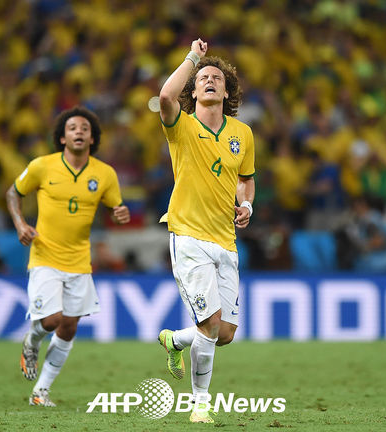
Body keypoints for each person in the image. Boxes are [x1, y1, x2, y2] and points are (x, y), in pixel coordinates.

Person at [156, 39, 255, 423]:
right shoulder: (181, 127)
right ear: (194, 91)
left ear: (226, 92)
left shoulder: (242, 134)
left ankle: (174, 340)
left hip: (225, 241)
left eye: (217, 78)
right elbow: (166, 96)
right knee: (210, 323)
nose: (210, 81)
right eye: (203, 79)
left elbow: (245, 179)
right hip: (188, 236)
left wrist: (246, 204)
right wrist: (193, 58)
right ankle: (200, 405)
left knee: (224, 332)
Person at [6, 106, 130, 407]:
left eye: (84, 129)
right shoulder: (42, 166)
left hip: (79, 260)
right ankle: (32, 339)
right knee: (51, 320)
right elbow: (13, 193)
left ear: (92, 138)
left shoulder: (105, 174)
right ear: (62, 138)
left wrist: (120, 215)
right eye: (72, 128)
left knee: (69, 326)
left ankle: (41, 392)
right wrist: (20, 224)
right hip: (45, 256)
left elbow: (115, 209)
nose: (79, 132)